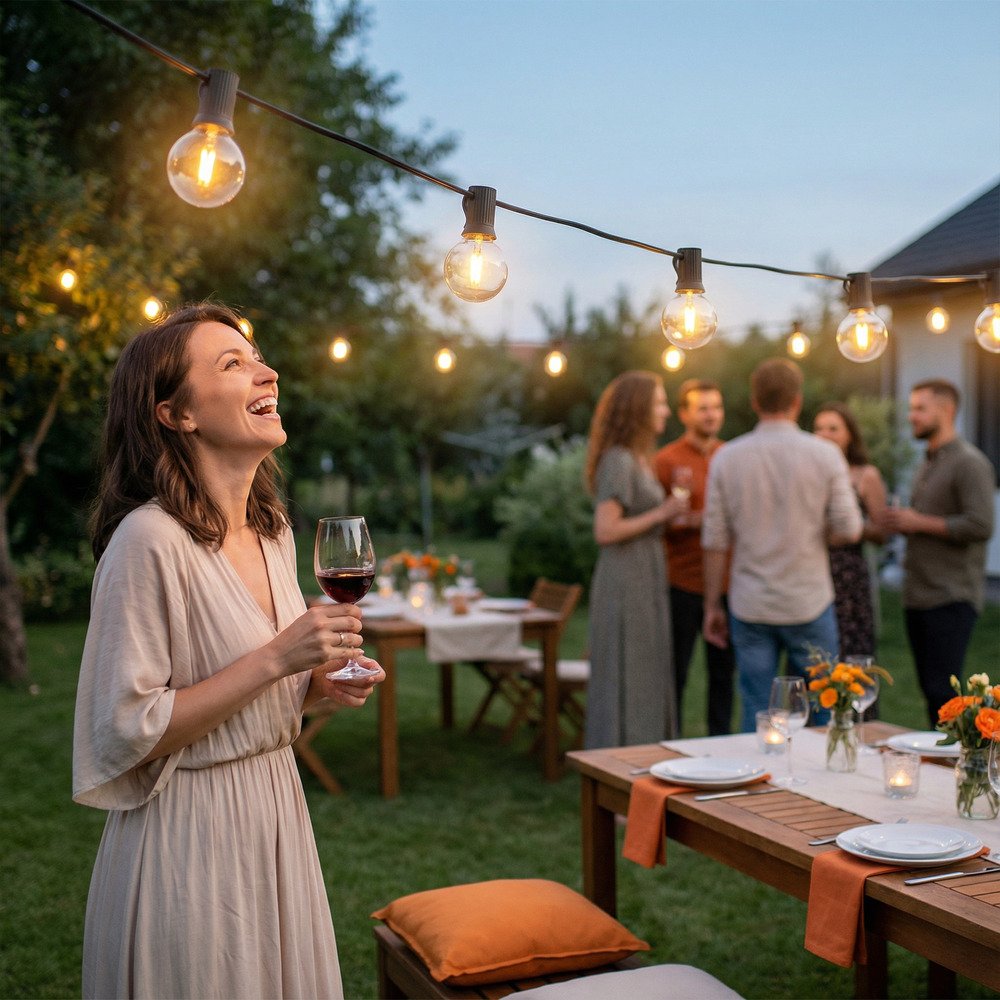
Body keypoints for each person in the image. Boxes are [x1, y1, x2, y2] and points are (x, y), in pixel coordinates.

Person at [73, 303, 385, 999]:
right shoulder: (148, 541)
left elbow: (250, 694)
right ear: (176, 414)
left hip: (276, 815)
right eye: (232, 363)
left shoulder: (273, 533)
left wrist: (316, 686)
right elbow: (125, 730)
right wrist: (278, 659)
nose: (266, 373)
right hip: (190, 838)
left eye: (259, 358)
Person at [701, 359, 862, 732]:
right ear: (797, 400)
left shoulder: (727, 457)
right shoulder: (824, 454)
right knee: (824, 708)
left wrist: (712, 604)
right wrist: (818, 533)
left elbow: (715, 540)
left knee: (758, 707)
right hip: (809, 598)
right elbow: (850, 528)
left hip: (751, 601)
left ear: (755, 401)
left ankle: (759, 767)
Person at [882, 379, 995, 727]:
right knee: (932, 694)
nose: (911, 416)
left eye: (920, 408)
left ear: (947, 410)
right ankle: (940, 756)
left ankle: (957, 758)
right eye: (911, 408)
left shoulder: (969, 463)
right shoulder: (930, 460)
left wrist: (918, 522)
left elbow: (980, 525)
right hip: (919, 593)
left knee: (944, 695)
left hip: (950, 595)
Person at [583, 370, 686, 748]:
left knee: (647, 665)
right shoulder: (619, 460)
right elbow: (606, 530)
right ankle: (619, 755)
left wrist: (671, 516)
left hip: (646, 573)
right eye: (659, 403)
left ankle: (647, 750)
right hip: (626, 579)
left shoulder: (640, 459)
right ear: (638, 409)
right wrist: (662, 513)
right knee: (628, 666)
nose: (666, 411)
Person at [654, 379, 735, 735]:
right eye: (703, 408)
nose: (711, 415)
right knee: (675, 671)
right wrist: (691, 520)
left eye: (716, 407)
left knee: (724, 673)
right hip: (682, 581)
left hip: (728, 583)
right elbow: (653, 520)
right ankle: (668, 740)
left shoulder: (731, 456)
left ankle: (721, 743)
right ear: (684, 414)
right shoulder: (666, 460)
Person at [812, 402, 888, 659]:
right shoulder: (807, 473)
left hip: (848, 574)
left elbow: (881, 533)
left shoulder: (866, 474)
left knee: (851, 651)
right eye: (819, 428)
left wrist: (850, 528)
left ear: (849, 435)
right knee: (813, 654)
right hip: (812, 570)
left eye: (833, 428)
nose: (825, 434)